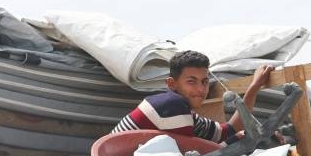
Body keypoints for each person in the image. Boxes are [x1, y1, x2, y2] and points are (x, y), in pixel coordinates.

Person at [112, 50, 273, 142]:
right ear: (172, 84)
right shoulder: (171, 104)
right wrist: (243, 138)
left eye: (204, 82)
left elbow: (228, 131)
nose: (200, 89)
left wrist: (254, 87)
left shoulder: (186, 114)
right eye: (191, 81)